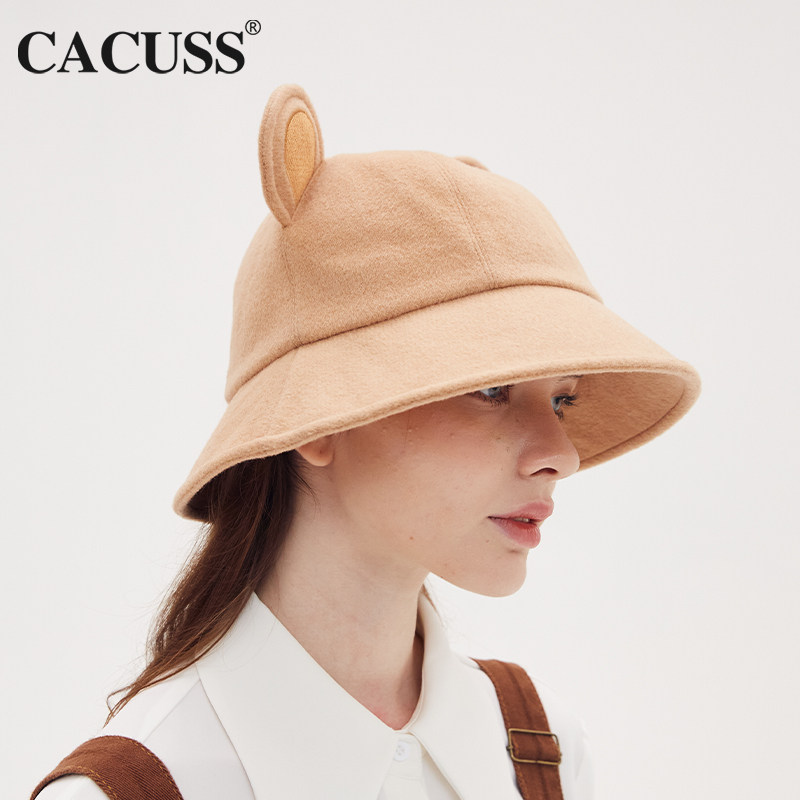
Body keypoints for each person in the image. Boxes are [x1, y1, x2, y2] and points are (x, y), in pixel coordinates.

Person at [32, 83, 700, 800]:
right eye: (491, 389)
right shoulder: (138, 788)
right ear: (318, 422)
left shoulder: (546, 754)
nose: (561, 455)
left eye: (563, 400)